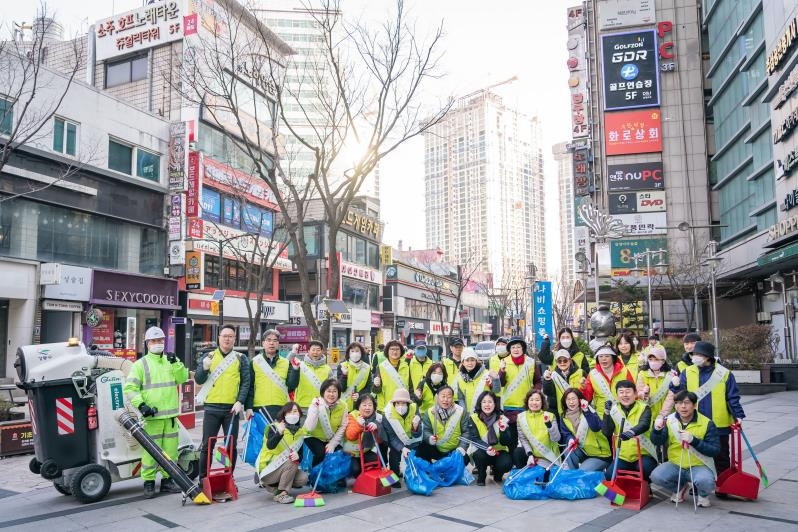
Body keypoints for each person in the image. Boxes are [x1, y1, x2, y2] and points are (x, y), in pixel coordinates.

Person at [123, 327, 188, 498]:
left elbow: (182, 378)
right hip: (152, 418)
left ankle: (168, 481)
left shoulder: (171, 360)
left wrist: (176, 363)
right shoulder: (140, 365)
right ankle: (149, 483)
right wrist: (142, 405)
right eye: (154, 341)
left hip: (171, 418)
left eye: (160, 340)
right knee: (151, 453)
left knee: (171, 452)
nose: (158, 344)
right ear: (147, 344)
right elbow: (130, 388)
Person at [669, 341, 744, 478]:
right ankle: (698, 484)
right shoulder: (687, 371)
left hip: (719, 422)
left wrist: (738, 415)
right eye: (693, 354)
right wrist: (674, 385)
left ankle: (723, 484)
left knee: (721, 456)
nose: (694, 357)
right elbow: (681, 394)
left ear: (708, 356)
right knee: (695, 455)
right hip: (695, 421)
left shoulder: (724, 373)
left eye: (698, 354)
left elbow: (732, 397)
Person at [195, 324, 251, 481]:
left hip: (231, 410)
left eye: (230, 336)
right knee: (207, 446)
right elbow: (198, 379)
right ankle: (203, 480)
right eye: (224, 335)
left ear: (234, 339)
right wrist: (204, 368)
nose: (227, 339)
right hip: (211, 408)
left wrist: (240, 401)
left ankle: (229, 479)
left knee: (231, 447)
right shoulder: (209, 356)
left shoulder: (241, 358)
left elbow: (246, 382)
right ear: (218, 338)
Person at [650, 390, 720, 508]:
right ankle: (680, 488)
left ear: (694, 405)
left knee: (707, 482)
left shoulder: (707, 423)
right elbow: (658, 441)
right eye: (678, 403)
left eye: (687, 403)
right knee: (656, 476)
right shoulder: (669, 420)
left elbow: (715, 450)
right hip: (676, 463)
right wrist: (656, 430)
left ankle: (703, 495)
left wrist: (694, 441)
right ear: (675, 405)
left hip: (699, 464)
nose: (683, 406)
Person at [601, 380, 657, 481]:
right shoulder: (614, 410)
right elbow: (607, 432)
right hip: (622, 455)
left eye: (628, 391)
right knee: (609, 476)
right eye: (621, 392)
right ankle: (625, 489)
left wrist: (631, 432)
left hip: (643, 453)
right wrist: (606, 413)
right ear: (617, 395)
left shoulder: (644, 408)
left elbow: (644, 424)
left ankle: (645, 488)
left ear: (635, 393)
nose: (625, 395)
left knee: (646, 470)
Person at [256, 401, 309, 504]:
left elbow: (300, 455)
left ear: (299, 414)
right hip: (268, 469)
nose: (293, 414)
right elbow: (270, 446)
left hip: (283, 468)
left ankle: (274, 487)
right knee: (291, 462)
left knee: (303, 478)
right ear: (284, 415)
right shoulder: (274, 427)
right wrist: (279, 433)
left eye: (295, 411)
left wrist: (298, 456)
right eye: (289, 412)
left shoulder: (300, 432)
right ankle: (281, 493)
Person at [499, 336, 541, 451]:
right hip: (510, 407)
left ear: (523, 348)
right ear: (510, 349)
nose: (516, 349)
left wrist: (535, 393)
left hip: (527, 407)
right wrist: (501, 371)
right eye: (513, 347)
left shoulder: (531, 362)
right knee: (512, 438)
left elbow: (538, 381)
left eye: (518, 347)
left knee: (527, 438)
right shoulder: (504, 363)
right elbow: (500, 383)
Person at [558, 388, 611, 471]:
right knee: (567, 449)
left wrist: (586, 411)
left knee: (582, 472)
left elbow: (596, 427)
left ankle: (578, 475)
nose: (571, 402)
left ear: (580, 399)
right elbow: (567, 433)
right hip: (583, 451)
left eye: (573, 399)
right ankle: (572, 475)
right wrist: (570, 439)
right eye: (568, 399)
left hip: (600, 454)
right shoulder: (564, 416)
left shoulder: (589, 410)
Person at [467, 391, 512, 485]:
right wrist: (487, 448)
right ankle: (481, 475)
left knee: (506, 463)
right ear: (480, 403)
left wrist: (503, 431)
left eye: (490, 402)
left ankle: (498, 474)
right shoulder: (474, 418)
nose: (487, 405)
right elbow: (474, 438)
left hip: (499, 451)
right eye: (484, 402)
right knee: (479, 455)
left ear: (495, 404)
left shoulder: (502, 418)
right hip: (483, 450)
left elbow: (506, 442)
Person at [246, 329, 290, 421]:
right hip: (259, 407)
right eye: (269, 340)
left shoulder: (286, 363)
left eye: (275, 341)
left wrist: (296, 370)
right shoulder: (255, 362)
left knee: (280, 434)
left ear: (278, 344)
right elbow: (249, 387)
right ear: (263, 343)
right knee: (262, 435)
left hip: (281, 406)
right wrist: (248, 407)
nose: (271, 343)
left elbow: (292, 386)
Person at [418, 385, 469, 464]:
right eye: (443, 396)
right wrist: (430, 438)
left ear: (452, 398)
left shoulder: (461, 412)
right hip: (436, 448)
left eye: (449, 397)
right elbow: (426, 430)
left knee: (465, 459)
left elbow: (466, 432)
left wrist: (461, 447)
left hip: (454, 449)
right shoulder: (429, 412)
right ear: (437, 397)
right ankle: (429, 470)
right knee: (421, 448)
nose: (446, 399)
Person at [302, 378, 348, 466]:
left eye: (334, 391)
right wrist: (315, 410)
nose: (331, 394)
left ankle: (331, 478)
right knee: (321, 454)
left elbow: (343, 426)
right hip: (312, 437)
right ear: (323, 392)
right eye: (328, 391)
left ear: (338, 393)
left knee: (341, 455)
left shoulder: (343, 405)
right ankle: (313, 476)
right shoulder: (316, 403)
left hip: (330, 438)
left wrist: (333, 443)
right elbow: (309, 428)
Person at [513, 390, 561, 469]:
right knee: (518, 452)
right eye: (531, 400)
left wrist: (548, 424)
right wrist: (530, 454)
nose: (534, 403)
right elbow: (523, 439)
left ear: (542, 402)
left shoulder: (550, 416)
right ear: (527, 401)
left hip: (548, 457)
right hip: (532, 455)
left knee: (542, 477)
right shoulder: (521, 417)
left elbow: (556, 438)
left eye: (537, 400)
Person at [581, 344, 634, 415]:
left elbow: (633, 393)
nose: (603, 359)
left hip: (622, 413)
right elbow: (587, 397)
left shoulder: (624, 371)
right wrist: (583, 388)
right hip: (602, 415)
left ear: (613, 358)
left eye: (607, 356)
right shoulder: (593, 374)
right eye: (600, 356)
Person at [382, 388, 422, 476]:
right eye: (398, 403)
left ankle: (413, 474)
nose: (400, 406)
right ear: (394, 403)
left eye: (403, 403)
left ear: (408, 403)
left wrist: (415, 426)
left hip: (412, 441)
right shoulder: (387, 414)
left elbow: (418, 434)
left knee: (417, 460)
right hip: (396, 441)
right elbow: (391, 437)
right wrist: (402, 448)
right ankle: (395, 474)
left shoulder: (414, 409)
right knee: (393, 455)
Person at [343, 394, 383, 478]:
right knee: (356, 470)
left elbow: (380, 440)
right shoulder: (352, 416)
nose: (367, 408)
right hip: (351, 453)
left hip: (365, 451)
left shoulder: (377, 417)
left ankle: (372, 478)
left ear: (374, 406)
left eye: (370, 405)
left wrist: (377, 427)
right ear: (359, 406)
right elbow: (350, 435)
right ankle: (348, 476)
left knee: (377, 463)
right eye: (364, 405)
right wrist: (359, 425)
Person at [287, 340, 332, 411]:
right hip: (302, 405)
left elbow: (331, 387)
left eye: (318, 350)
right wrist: (293, 352)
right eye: (313, 350)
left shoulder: (327, 369)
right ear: (308, 351)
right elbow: (286, 363)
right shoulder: (300, 365)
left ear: (322, 352)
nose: (315, 352)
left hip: (321, 406)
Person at [542, 349, 585, 417]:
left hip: (579, 411)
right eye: (559, 361)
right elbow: (548, 392)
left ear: (570, 360)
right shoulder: (552, 375)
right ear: (556, 362)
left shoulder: (581, 372)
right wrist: (547, 380)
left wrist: (584, 385)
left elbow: (587, 392)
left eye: (565, 360)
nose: (562, 363)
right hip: (561, 412)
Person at [455, 348, 500, 413]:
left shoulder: (486, 374)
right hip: (470, 417)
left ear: (476, 361)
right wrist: (464, 412)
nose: (470, 363)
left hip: (486, 415)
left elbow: (496, 391)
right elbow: (461, 398)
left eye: (472, 360)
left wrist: (496, 379)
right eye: (467, 360)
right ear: (463, 362)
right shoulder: (460, 378)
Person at [636, 344, 674, 422]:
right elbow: (638, 393)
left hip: (666, 417)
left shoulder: (670, 376)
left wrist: (662, 415)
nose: (653, 362)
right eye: (650, 359)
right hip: (647, 416)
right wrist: (644, 394)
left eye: (656, 359)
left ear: (663, 361)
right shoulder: (642, 374)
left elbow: (671, 398)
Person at [373, 340, 411, 413]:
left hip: (403, 407)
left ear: (401, 351)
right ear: (387, 351)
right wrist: (376, 385)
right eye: (392, 349)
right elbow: (375, 391)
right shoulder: (381, 367)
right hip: (385, 408)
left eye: (397, 349)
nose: (395, 352)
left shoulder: (406, 366)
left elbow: (411, 388)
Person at [338, 341, 372, 411]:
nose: (355, 354)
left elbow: (369, 387)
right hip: (344, 406)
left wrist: (360, 394)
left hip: (360, 406)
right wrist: (344, 375)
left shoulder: (367, 367)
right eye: (352, 351)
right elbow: (341, 388)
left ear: (361, 353)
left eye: (357, 351)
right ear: (348, 353)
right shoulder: (342, 366)